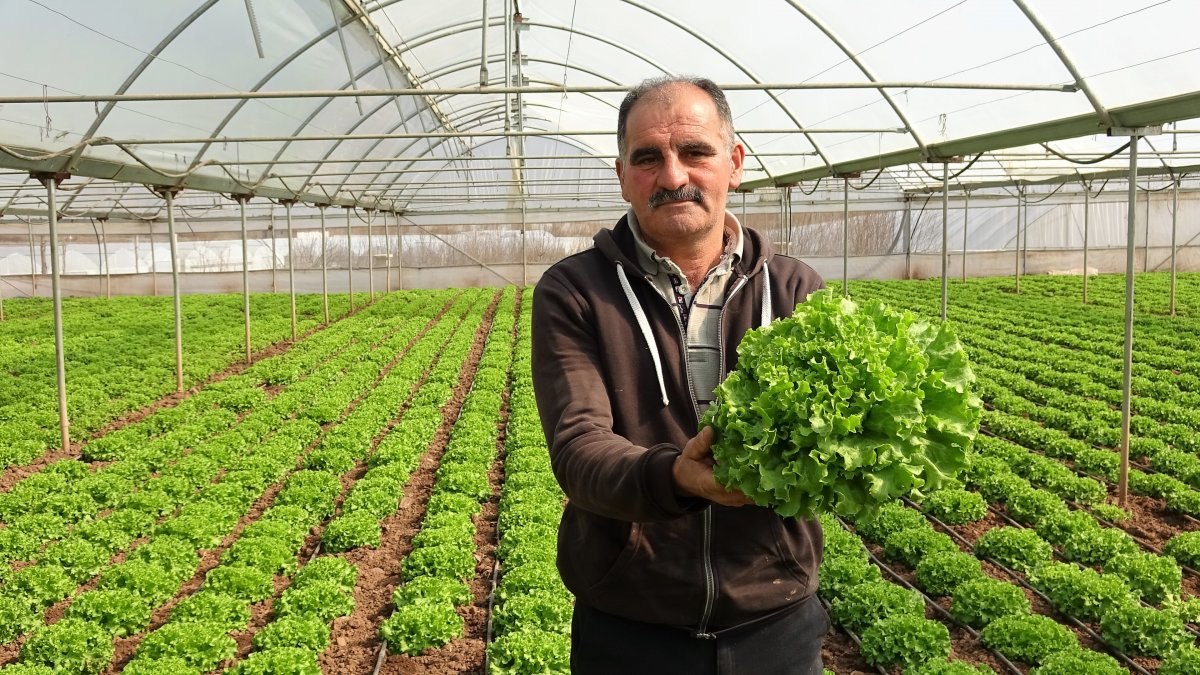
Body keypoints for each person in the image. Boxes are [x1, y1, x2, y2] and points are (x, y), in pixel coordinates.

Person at [531, 75, 828, 674]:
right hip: (630, 626)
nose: (672, 177)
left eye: (695, 152)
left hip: (775, 621)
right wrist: (677, 476)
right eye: (648, 159)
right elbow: (578, 449)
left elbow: (832, 443)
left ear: (734, 163)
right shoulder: (576, 292)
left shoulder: (795, 289)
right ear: (622, 176)